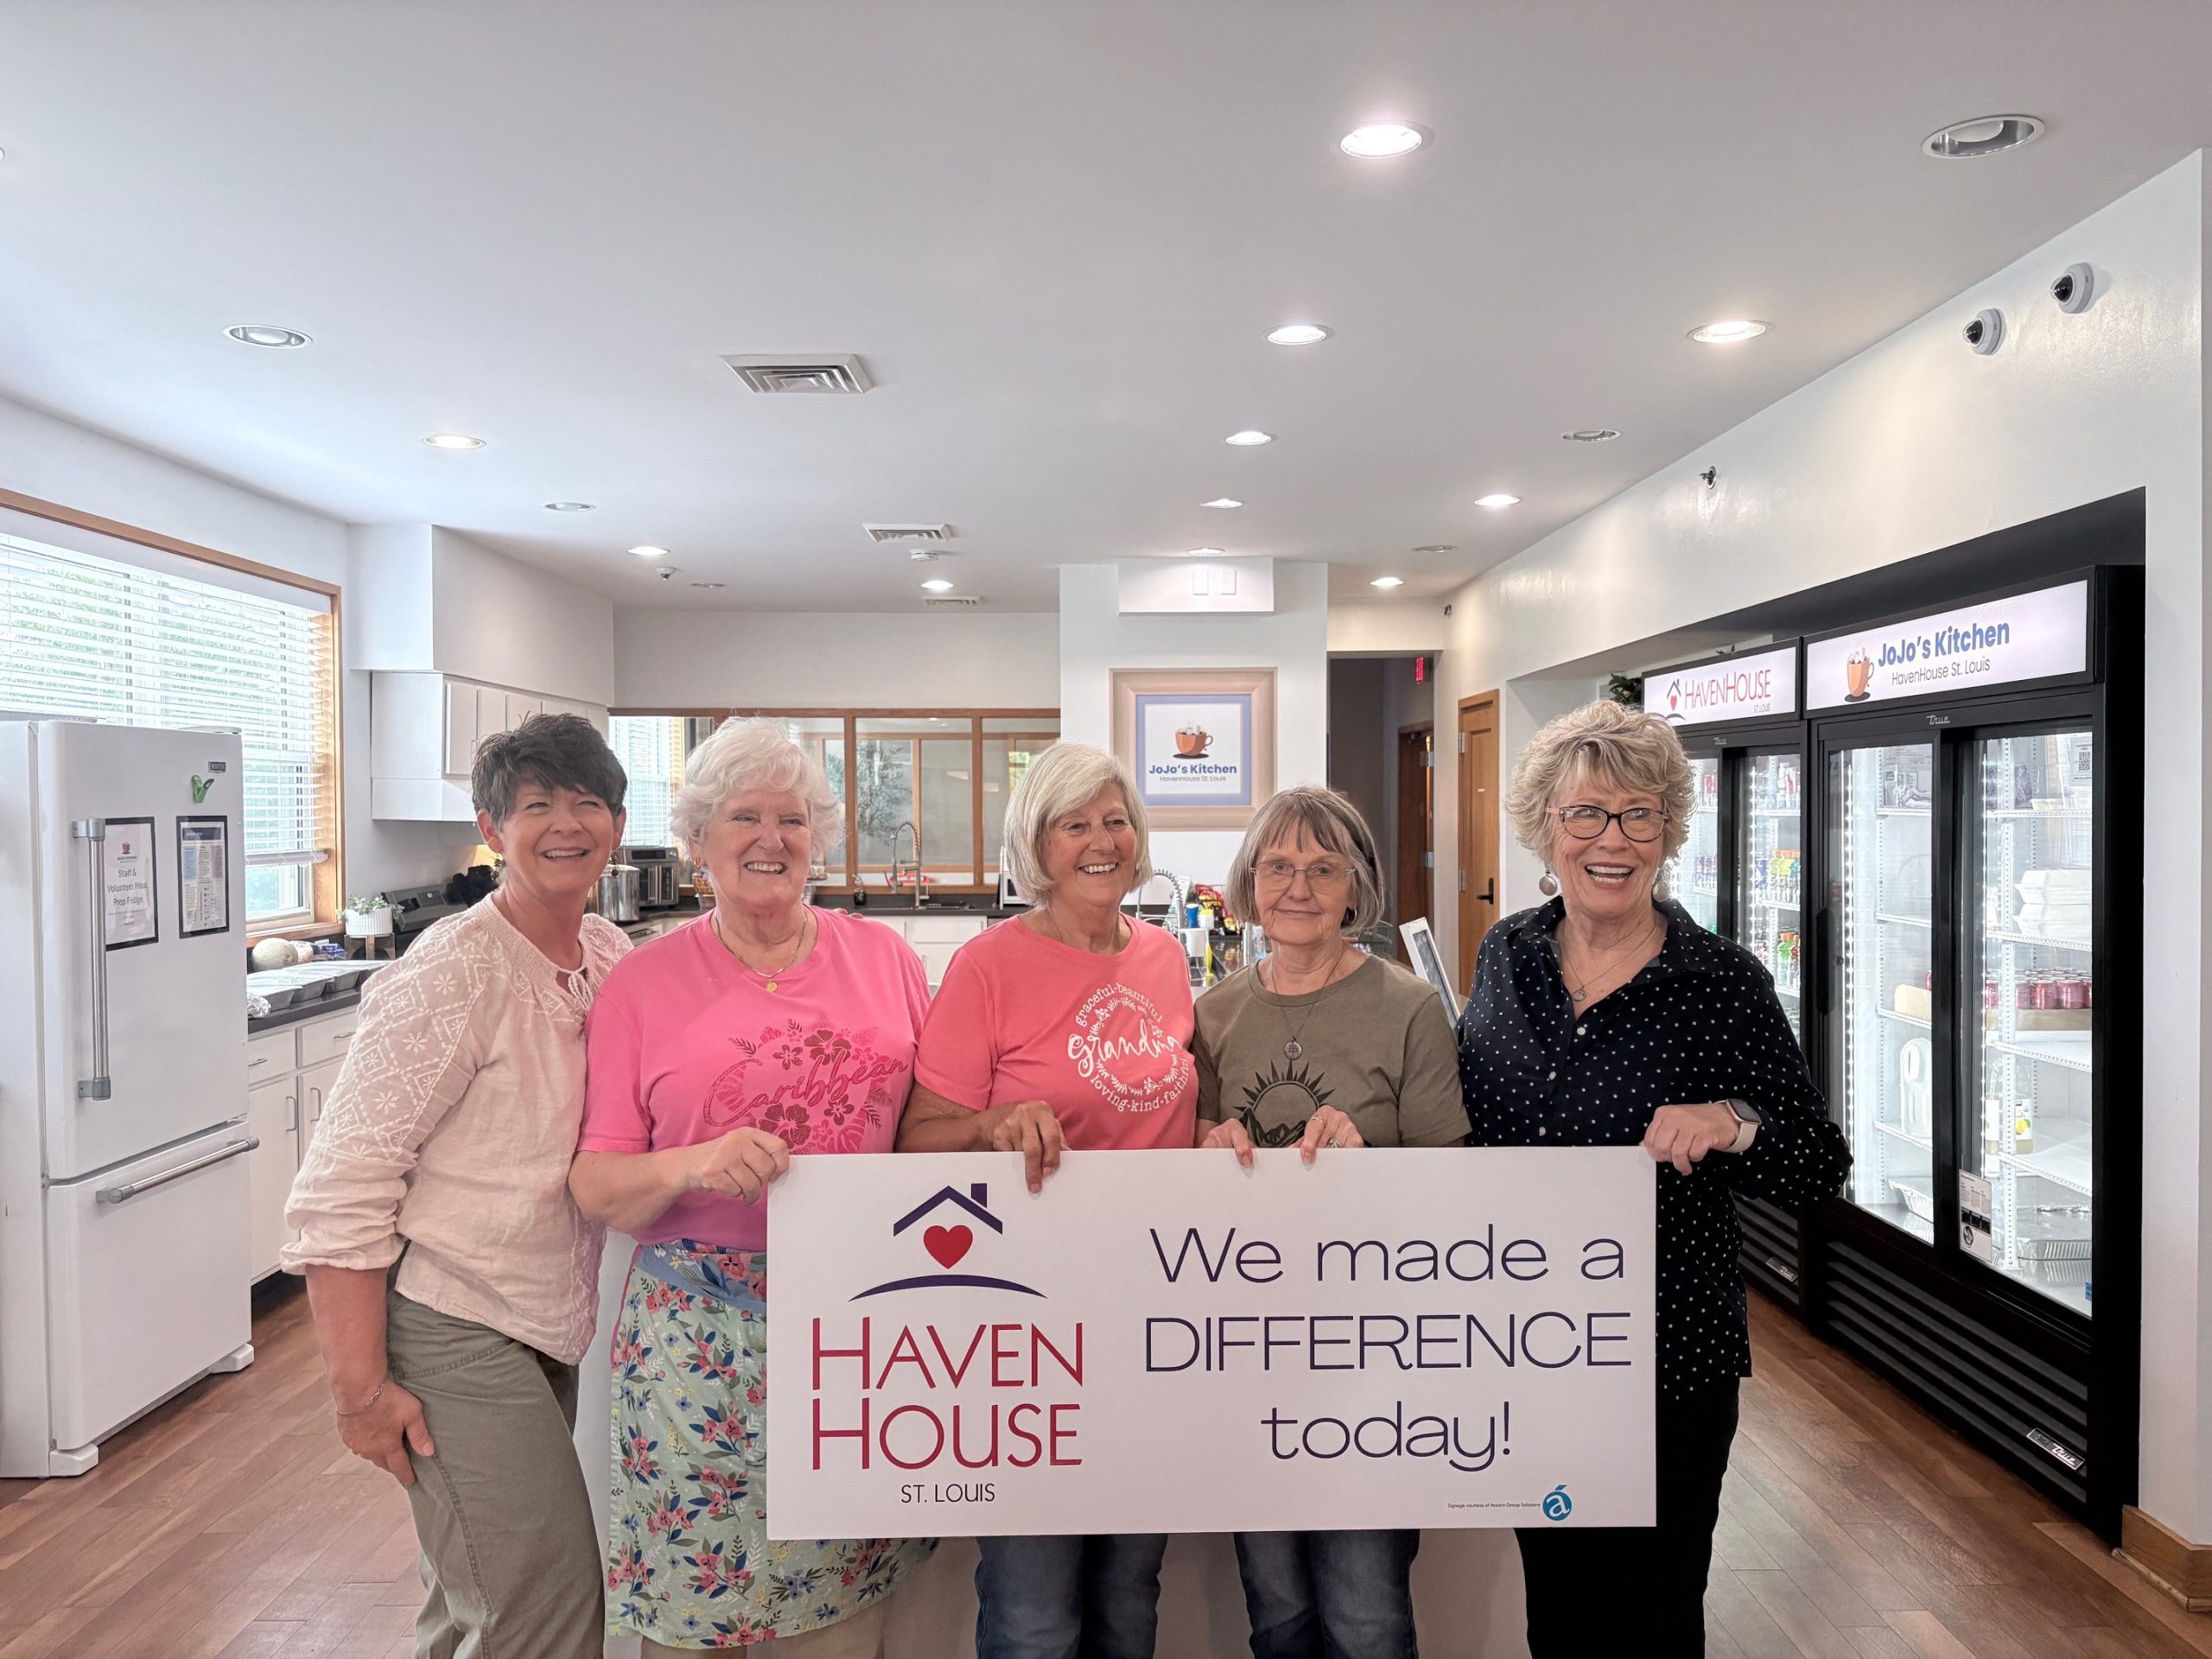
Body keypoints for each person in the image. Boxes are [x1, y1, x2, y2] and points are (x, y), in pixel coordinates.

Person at [1453, 701, 1850, 1657]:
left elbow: (1818, 1160)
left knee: (1654, 1615)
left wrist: (1732, 1123)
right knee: (1557, 1608)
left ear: (1669, 832)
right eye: (1585, 814)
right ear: (1545, 827)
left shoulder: (1721, 980)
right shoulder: (1507, 953)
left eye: (1639, 815)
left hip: (1668, 1356)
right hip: (1527, 1344)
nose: (1613, 839)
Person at [571, 718, 934, 1656]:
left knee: (843, 1613)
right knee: (697, 1617)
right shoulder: (642, 984)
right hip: (696, 1342)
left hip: (859, 1324)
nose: (771, 838)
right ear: (698, 838)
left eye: (793, 819)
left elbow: (933, 1125)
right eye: (744, 817)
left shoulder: (887, 960)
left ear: (819, 838)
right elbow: (597, 1185)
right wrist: (692, 1163)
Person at [283, 713, 632, 1659]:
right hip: (453, 1320)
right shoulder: (454, 969)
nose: (566, 824)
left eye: (588, 802)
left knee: (475, 1597)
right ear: (491, 828)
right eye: (536, 804)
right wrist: (358, 1392)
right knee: (544, 1608)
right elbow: (341, 1187)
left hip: (543, 1318)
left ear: (616, 823)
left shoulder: (607, 955)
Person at [897, 741, 1198, 1659]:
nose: (1101, 842)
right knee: (1034, 1611)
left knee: (1128, 1593)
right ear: (1038, 846)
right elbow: (916, 1139)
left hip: (1152, 1317)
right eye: (1075, 825)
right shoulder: (988, 966)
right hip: (1025, 1327)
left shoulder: (1165, 957)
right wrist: (992, 1124)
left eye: (1115, 821)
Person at [1192, 785, 1465, 1659]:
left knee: (1365, 1612)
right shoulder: (1213, 1014)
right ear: (1249, 883)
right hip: (1246, 1354)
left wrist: (1368, 1161)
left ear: (1357, 887)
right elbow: (1185, 1185)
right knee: (1275, 1608)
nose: (1298, 888)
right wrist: (1204, 1145)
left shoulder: (1409, 1008)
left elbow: (1456, 1190)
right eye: (1278, 866)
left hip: (1371, 1360)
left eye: (1322, 868)